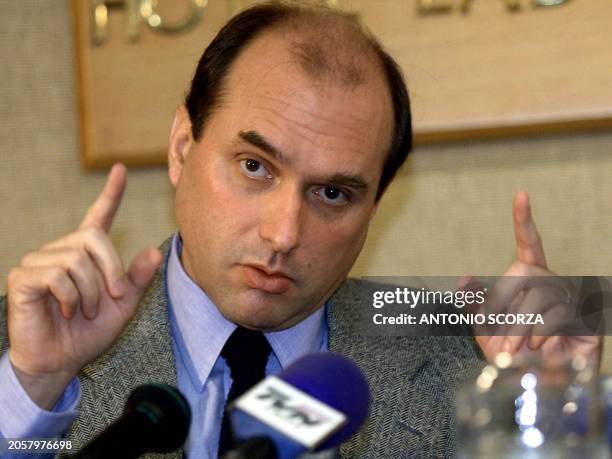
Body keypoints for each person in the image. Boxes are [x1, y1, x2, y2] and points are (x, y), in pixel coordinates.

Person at [0, 3, 599, 458]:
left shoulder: (463, 364)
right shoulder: (22, 356)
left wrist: (550, 409)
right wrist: (34, 393)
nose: (284, 233)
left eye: (333, 193)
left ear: (376, 207)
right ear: (183, 147)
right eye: (255, 167)